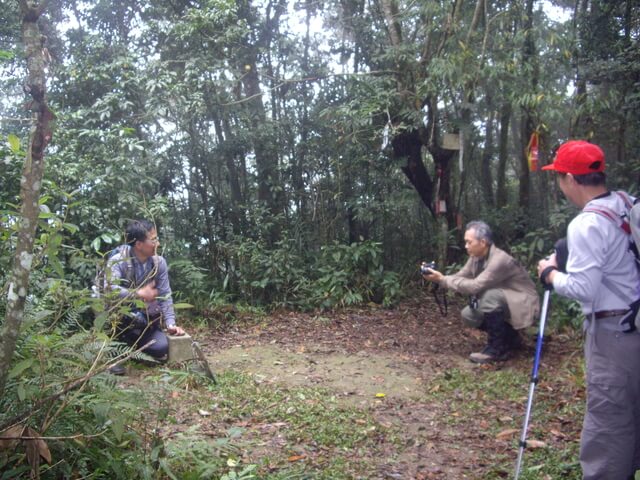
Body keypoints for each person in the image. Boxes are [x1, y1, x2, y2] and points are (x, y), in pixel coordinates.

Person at [537, 140, 640, 480]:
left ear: (569, 178)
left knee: (609, 422)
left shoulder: (586, 224)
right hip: (635, 322)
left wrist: (550, 274)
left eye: (559, 177)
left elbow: (584, 288)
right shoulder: (626, 203)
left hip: (613, 333)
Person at [422, 220, 540, 364]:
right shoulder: (476, 258)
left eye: (469, 242)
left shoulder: (499, 260)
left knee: (490, 296)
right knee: (469, 315)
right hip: (507, 301)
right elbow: (461, 275)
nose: (466, 246)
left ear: (483, 242)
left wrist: (443, 280)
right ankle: (510, 338)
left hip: (524, 303)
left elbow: (475, 286)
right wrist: (438, 277)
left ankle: (495, 350)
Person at [107, 219, 185, 373]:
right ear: (139, 244)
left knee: (162, 347)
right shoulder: (118, 261)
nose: (158, 243)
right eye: (153, 239)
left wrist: (170, 324)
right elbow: (110, 290)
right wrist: (138, 294)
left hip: (145, 320)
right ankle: (114, 349)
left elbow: (165, 294)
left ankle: (132, 348)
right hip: (119, 319)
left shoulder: (158, 263)